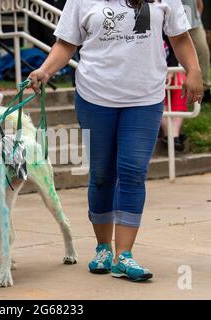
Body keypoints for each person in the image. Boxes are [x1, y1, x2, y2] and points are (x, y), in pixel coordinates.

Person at [28, 0, 203, 282]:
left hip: (145, 97)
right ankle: (102, 249)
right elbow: (66, 43)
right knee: (101, 174)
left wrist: (193, 69)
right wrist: (45, 71)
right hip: (95, 96)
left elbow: (180, 36)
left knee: (133, 171)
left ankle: (124, 255)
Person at [182, 0, 211, 102]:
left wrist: (197, 17)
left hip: (194, 23)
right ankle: (176, 91)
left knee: (203, 51)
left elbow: (199, 3)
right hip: (170, 23)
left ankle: (204, 90)